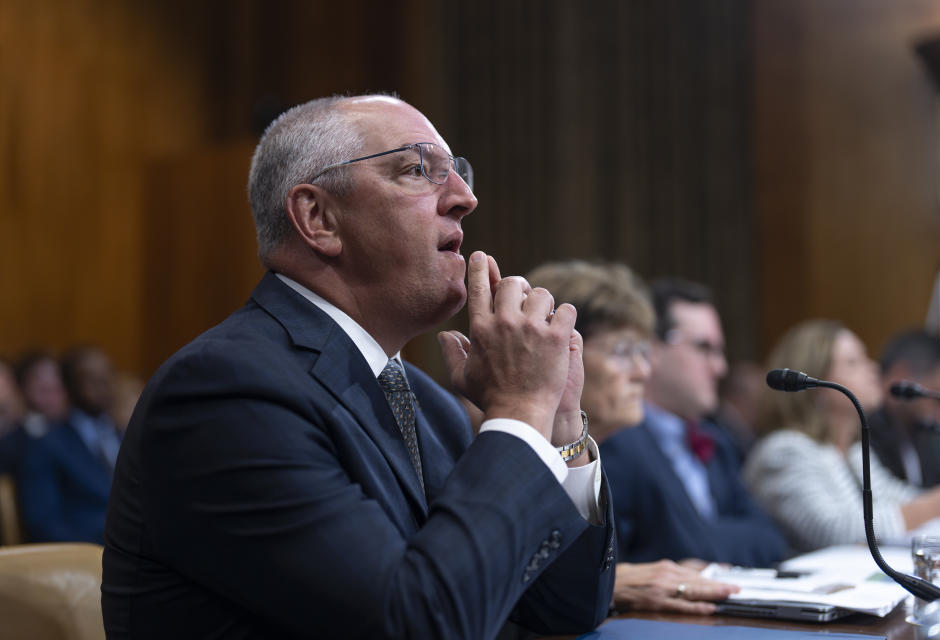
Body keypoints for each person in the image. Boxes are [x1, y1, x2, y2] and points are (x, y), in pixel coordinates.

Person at [101, 95, 616, 639]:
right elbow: (417, 625)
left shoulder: (427, 403)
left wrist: (557, 428)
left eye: (458, 174)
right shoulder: (224, 393)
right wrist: (518, 410)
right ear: (319, 218)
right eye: (418, 169)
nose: (466, 198)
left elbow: (568, 610)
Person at [527, 261, 738, 615]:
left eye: (644, 352)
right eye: (623, 351)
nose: (643, 372)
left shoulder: (608, 449)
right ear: (558, 352)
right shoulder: (518, 455)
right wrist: (611, 582)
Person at [600, 278, 786, 567]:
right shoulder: (615, 438)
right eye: (704, 348)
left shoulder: (719, 440)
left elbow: (770, 538)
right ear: (653, 350)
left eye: (720, 351)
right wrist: (698, 542)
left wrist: (696, 542)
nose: (720, 367)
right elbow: (617, 561)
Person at [744, 320, 940, 552]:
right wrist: (937, 505)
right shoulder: (784, 451)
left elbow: (893, 496)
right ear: (814, 382)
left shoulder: (852, 449)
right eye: (853, 362)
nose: (873, 369)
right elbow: (836, 531)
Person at [18, 345, 121, 543]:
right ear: (69, 385)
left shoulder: (127, 436)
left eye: (108, 375)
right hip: (84, 557)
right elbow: (44, 522)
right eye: (91, 378)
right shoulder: (47, 445)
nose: (103, 385)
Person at [869, 329, 940, 487]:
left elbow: (933, 489)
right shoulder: (861, 431)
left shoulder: (917, 432)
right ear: (901, 376)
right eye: (939, 401)